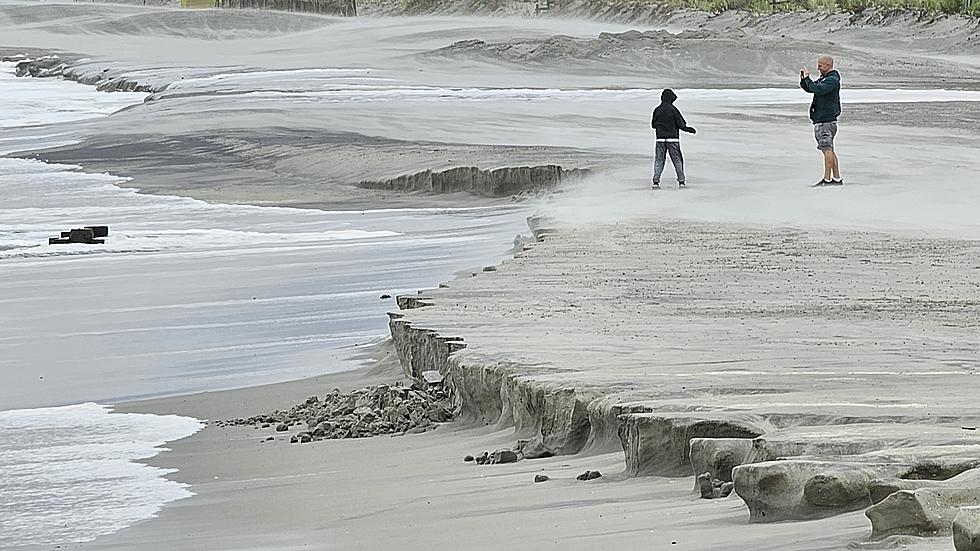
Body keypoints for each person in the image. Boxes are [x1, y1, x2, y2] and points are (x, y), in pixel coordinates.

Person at [800, 56, 843, 187]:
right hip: (824, 119)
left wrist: (807, 79)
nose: (818, 67)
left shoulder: (831, 80)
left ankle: (827, 179)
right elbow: (811, 88)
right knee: (829, 149)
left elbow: (818, 89)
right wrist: (804, 80)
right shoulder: (826, 79)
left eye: (821, 65)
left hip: (826, 120)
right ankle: (836, 178)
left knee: (827, 149)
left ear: (828, 65)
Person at [650, 89, 696, 189]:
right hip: (673, 139)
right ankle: (681, 182)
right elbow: (682, 124)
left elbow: (653, 125)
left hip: (660, 139)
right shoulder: (674, 110)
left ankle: (656, 182)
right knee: (677, 160)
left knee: (659, 161)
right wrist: (690, 130)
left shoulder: (657, 110)